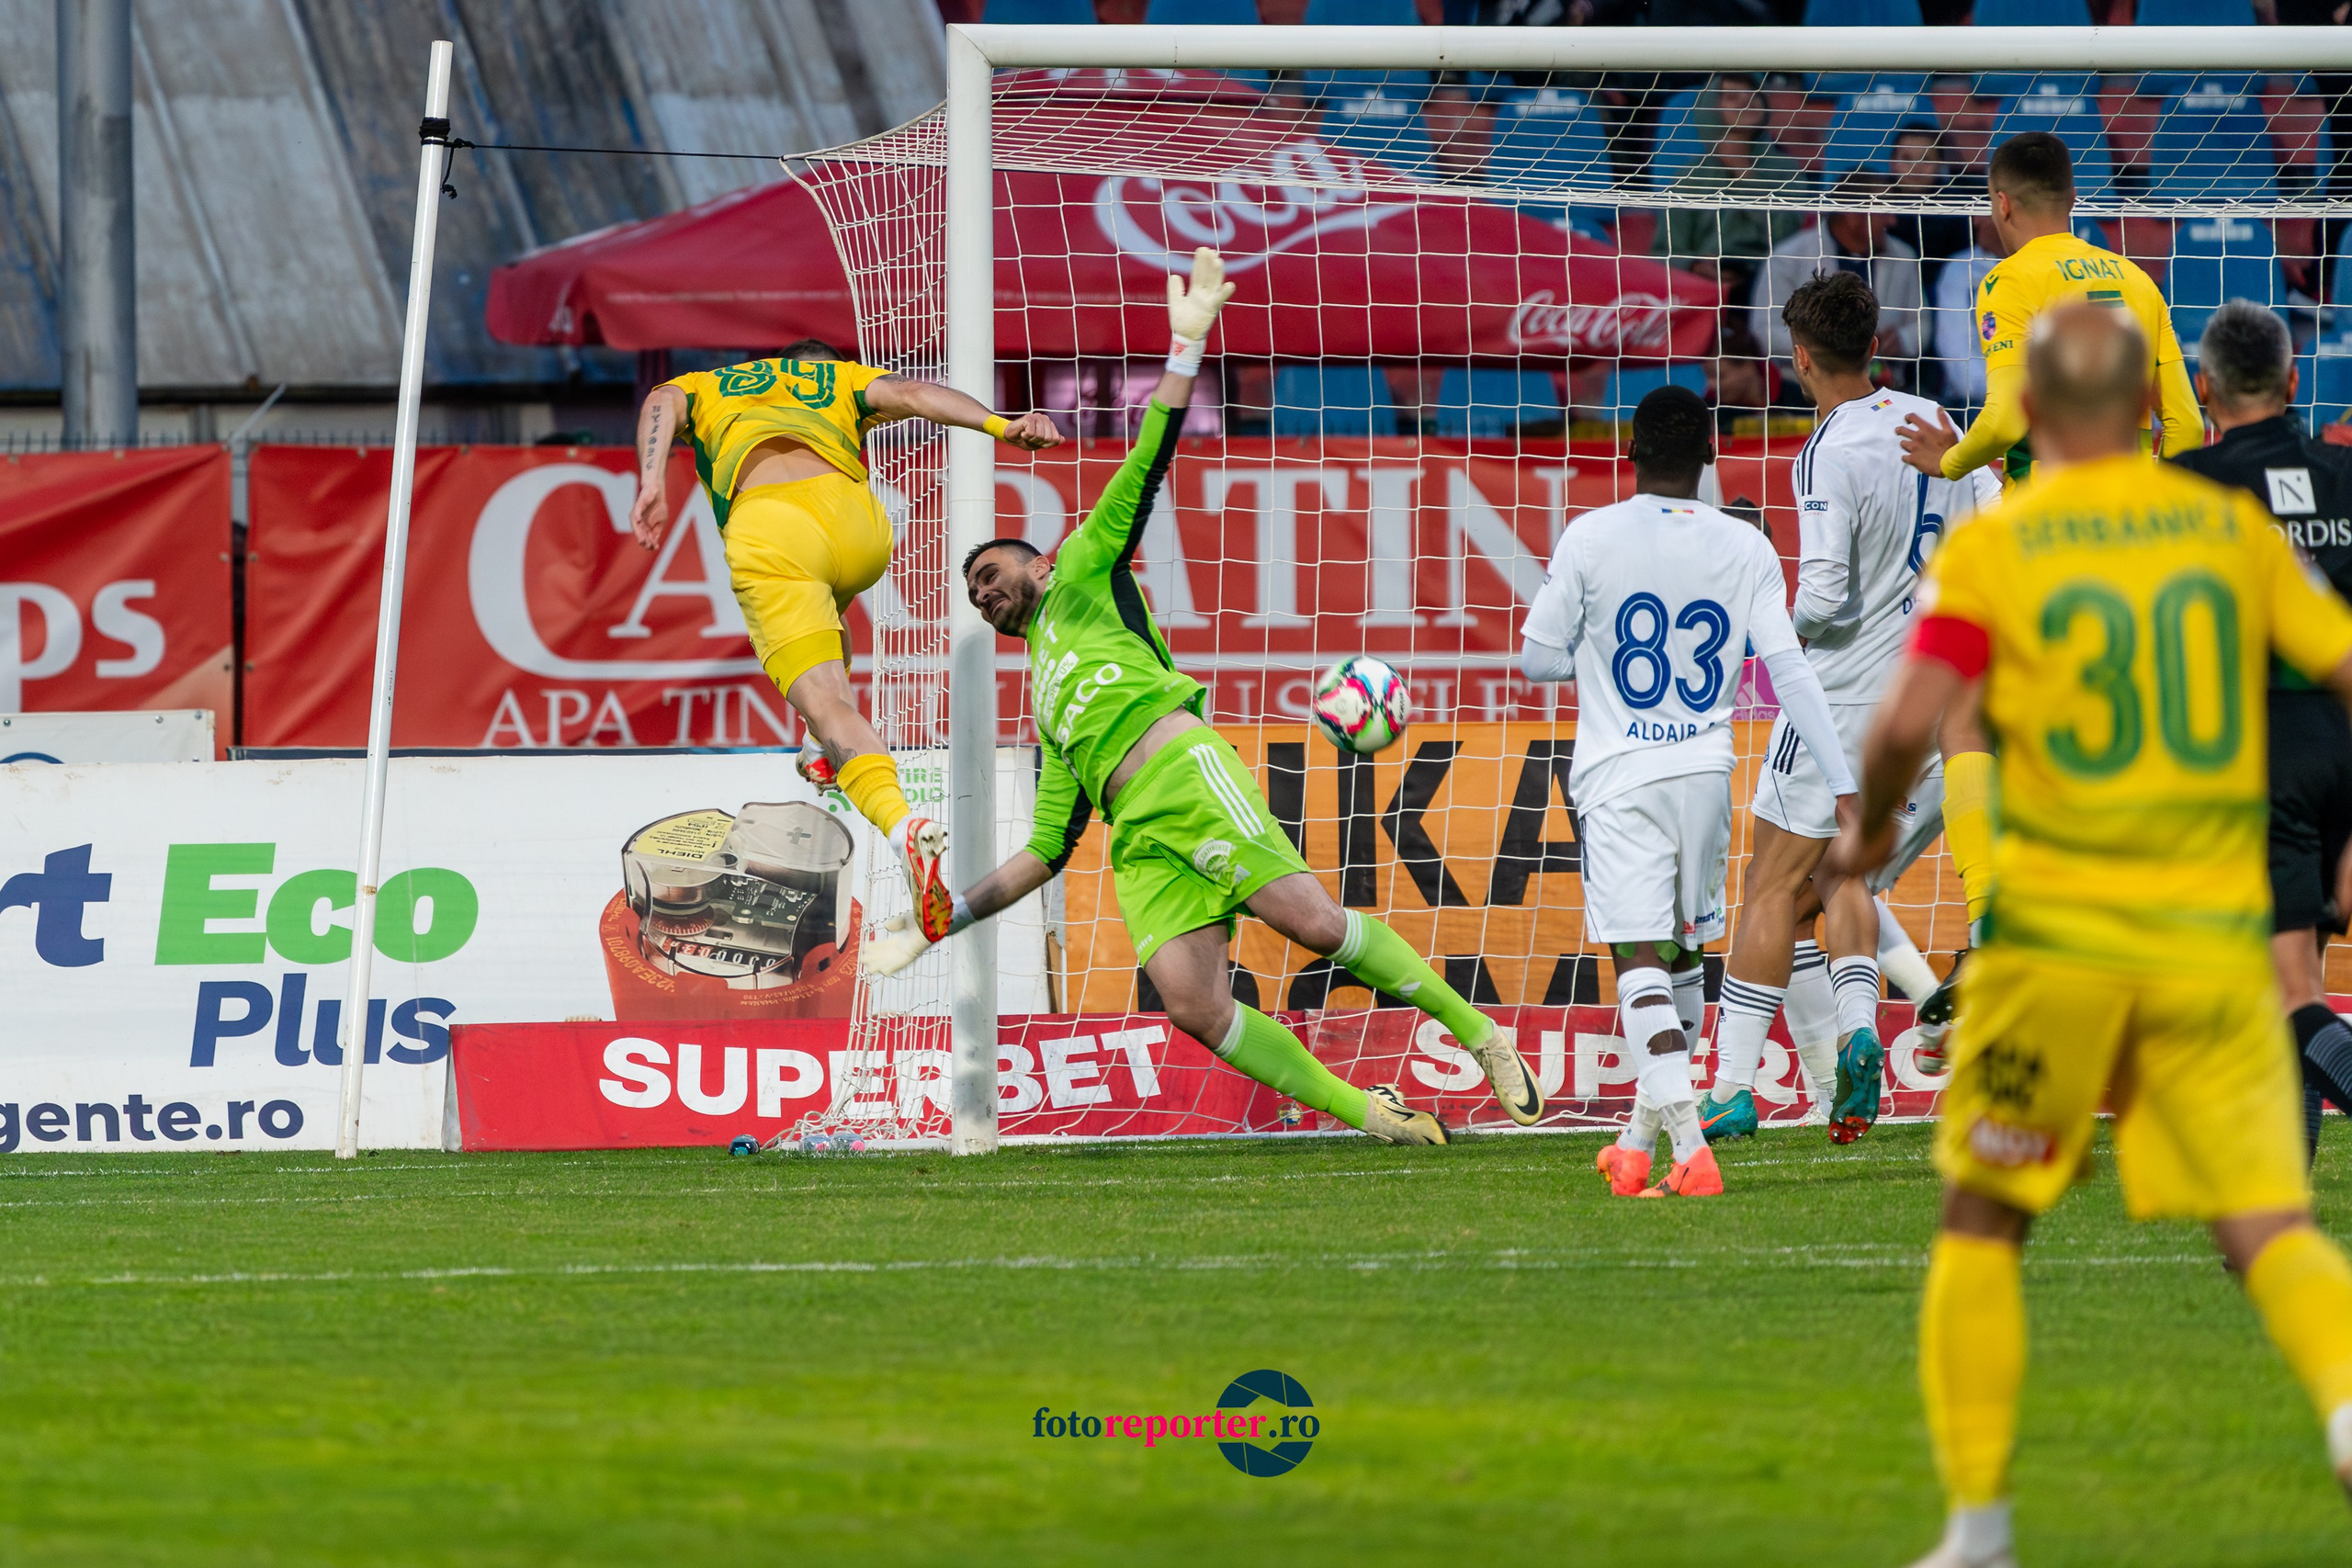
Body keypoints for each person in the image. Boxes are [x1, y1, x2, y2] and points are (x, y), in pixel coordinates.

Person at [1828, 303, 2352, 1568]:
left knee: (1983, 1218)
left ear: (2038, 414)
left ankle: (1979, 1529)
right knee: (2270, 1225)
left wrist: (1871, 826)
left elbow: (1912, 708)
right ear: (2141, 407)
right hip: (2212, 940)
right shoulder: (2227, 531)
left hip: (2057, 943)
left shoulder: (2005, 546)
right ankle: (2345, 1404)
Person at [867, 249, 1547, 1147]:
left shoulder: (1085, 571)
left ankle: (1479, 1033)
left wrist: (1185, 348)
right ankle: (1369, 1114)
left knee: (1309, 923)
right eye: (972, 592)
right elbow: (1042, 853)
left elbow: (1146, 461)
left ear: (1036, 562)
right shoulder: (1044, 705)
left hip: (1186, 775)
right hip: (1140, 840)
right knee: (1192, 1006)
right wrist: (938, 922)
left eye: (991, 572)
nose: (983, 591)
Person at [1895, 130, 2205, 1031]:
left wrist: (1949, 462)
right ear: (2074, 198)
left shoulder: (2009, 279)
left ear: (2000, 205)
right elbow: (2183, 425)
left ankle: (1994, 922)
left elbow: (2000, 412)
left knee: (1971, 718)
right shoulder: (2136, 282)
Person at [1520, 385, 1858, 1197]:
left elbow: (1535, 659)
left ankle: (1689, 1150)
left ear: (1628, 453)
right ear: (1711, 456)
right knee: (1680, 956)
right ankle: (1635, 1145)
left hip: (1621, 774)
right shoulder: (1744, 546)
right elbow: (1786, 669)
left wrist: (1592, 663)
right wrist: (1841, 783)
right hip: (1706, 773)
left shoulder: (1591, 535)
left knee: (1636, 955)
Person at [1702, 273, 2000, 1147]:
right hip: (1937, 702)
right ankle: (1855, 1048)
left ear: (1800, 358)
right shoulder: (1937, 424)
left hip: (1838, 704)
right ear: (1874, 345)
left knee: (1769, 887)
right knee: (1839, 882)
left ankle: (1731, 1087)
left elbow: (1826, 593)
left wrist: (1760, 633)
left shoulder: (1824, 450)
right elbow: (1990, 521)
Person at [629, 340, 1061, 942]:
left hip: (771, 524)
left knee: (827, 696)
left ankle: (900, 821)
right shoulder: (839, 381)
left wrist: (651, 480)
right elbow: (914, 394)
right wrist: (1000, 425)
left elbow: (660, 402)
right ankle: (817, 745)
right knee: (826, 608)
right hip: (858, 527)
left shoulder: (707, 382)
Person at [2168, 299, 2352, 1164]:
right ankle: (2290, 1194)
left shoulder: (2183, 486)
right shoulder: (2347, 474)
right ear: (2292, 381)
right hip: (2346, 728)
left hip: (2258, 747)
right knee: (2305, 964)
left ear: (2203, 387)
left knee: (2285, 983)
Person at [1754, 173, 1924, 392]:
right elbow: (1764, 331)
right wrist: (1829, 348)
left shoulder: (1904, 256)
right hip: (1802, 392)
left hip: (1886, 388)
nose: (1893, 220)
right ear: (1854, 214)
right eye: (1885, 209)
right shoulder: (1788, 257)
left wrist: (1903, 340)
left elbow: (1923, 323)